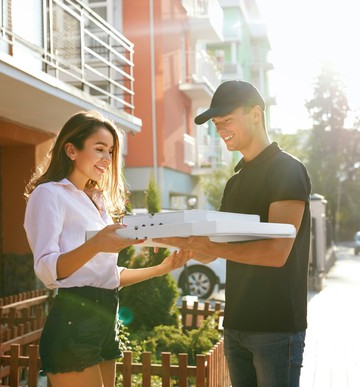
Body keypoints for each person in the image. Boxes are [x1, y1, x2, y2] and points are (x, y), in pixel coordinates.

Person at [155, 80, 312, 387]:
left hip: (277, 327)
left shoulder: (287, 170)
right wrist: (173, 239)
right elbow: (211, 250)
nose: (220, 129)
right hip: (236, 324)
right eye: (216, 124)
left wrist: (209, 245)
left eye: (226, 120)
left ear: (256, 114)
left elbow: (276, 253)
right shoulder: (235, 182)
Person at [23, 110, 191, 387]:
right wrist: (97, 243)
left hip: (104, 318)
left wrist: (163, 269)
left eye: (111, 151)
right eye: (99, 149)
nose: (107, 159)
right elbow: (47, 271)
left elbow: (108, 275)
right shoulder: (48, 194)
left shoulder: (96, 201)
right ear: (71, 150)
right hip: (72, 322)